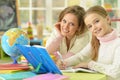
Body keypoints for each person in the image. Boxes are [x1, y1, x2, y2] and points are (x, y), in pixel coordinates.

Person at [58, 5, 120, 80]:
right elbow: (80, 56)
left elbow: (116, 72)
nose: (94, 27)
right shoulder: (96, 41)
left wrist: (89, 65)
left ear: (107, 19)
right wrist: (64, 63)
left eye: (96, 21)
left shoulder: (117, 42)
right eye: (90, 26)